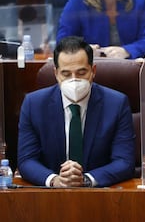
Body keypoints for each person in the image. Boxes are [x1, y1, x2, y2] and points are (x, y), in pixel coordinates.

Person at [17, 36, 136, 187]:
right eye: (66, 74)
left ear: (93, 71)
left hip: (100, 194)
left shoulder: (116, 103)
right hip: (51, 196)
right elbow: (26, 160)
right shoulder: (34, 104)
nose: (74, 80)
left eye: (81, 73)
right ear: (56, 73)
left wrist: (85, 180)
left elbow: (124, 161)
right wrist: (55, 180)